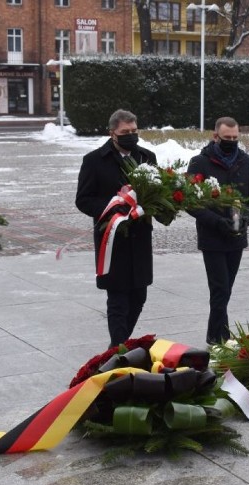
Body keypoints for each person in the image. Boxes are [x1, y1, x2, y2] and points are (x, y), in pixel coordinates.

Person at [75, 109, 157, 348]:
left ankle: (119, 347)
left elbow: (156, 191)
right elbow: (83, 199)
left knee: (139, 297)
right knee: (118, 299)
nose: (131, 136)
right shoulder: (94, 161)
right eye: (125, 132)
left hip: (140, 238)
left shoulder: (147, 157)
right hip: (112, 241)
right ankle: (118, 349)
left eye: (134, 131)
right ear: (112, 133)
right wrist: (115, 208)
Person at [187, 117, 249, 345]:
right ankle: (217, 340)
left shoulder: (245, 161)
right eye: (226, 138)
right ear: (215, 136)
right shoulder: (199, 163)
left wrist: (248, 216)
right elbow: (190, 202)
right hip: (212, 238)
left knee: (225, 290)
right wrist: (218, 222)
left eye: (234, 138)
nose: (230, 141)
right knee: (220, 289)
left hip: (237, 237)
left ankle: (219, 336)